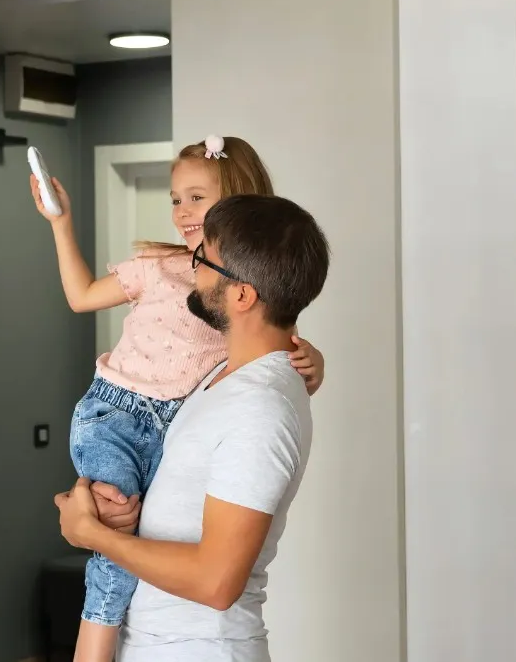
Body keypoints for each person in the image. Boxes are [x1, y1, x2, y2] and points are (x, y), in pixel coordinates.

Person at [29, 136, 327, 662]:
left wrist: (91, 533)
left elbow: (216, 582)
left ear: (241, 294)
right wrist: (111, 514)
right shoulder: (217, 380)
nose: (192, 268)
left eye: (206, 261)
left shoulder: (260, 406)